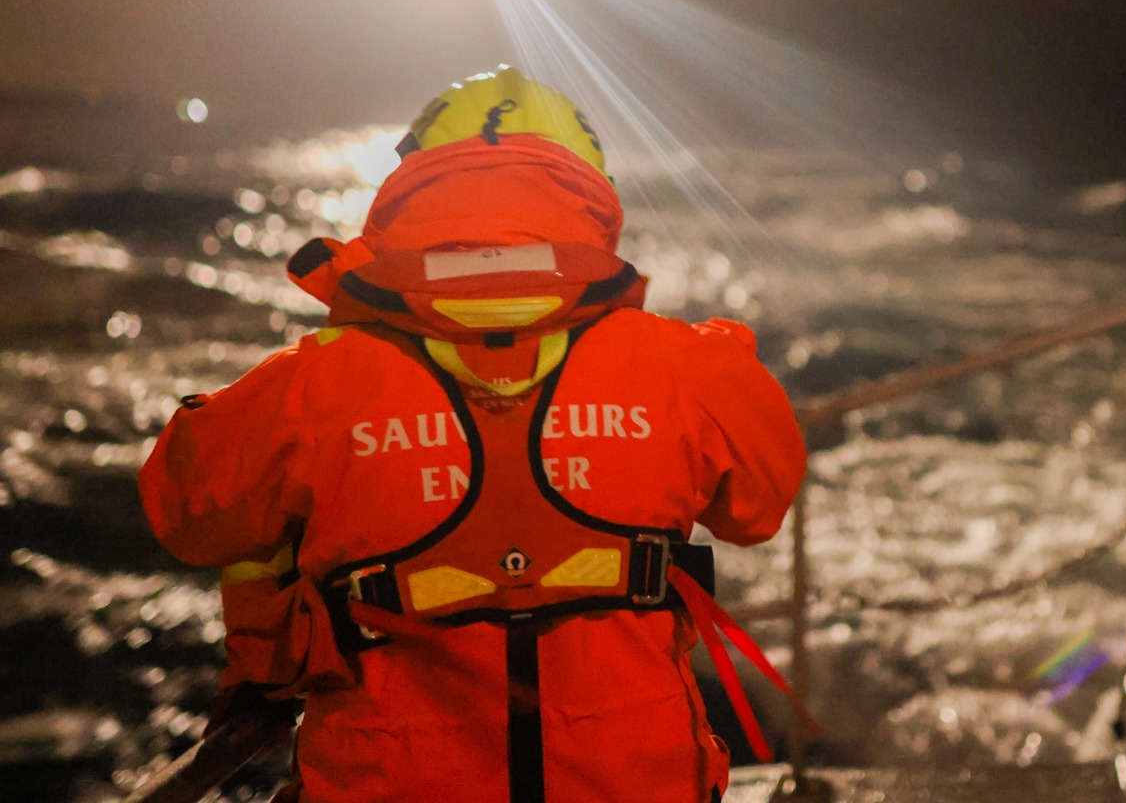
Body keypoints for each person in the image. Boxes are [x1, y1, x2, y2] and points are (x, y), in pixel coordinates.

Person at [139, 67, 807, 803]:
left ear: (410, 184)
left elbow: (186, 510)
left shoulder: (313, 384)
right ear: (588, 188)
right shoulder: (684, 368)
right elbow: (759, 503)